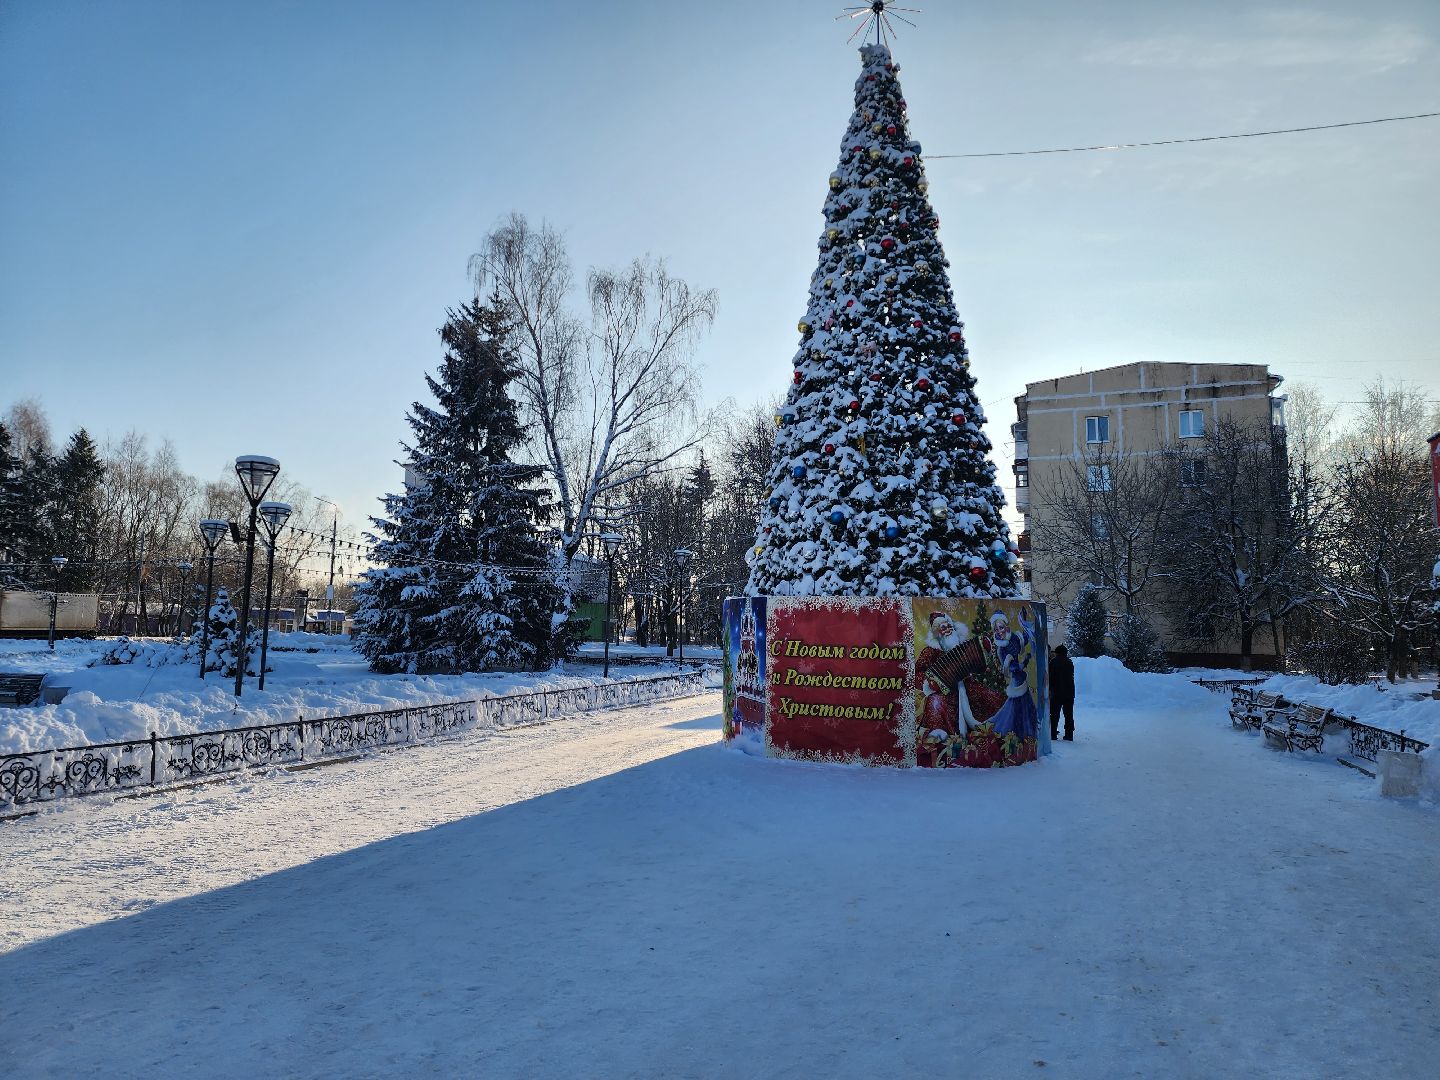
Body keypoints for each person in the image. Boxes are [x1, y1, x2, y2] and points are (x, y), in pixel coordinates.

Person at [986, 608, 1039, 743]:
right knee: (1015, 710)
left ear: (1006, 625)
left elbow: (1025, 639)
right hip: (1016, 681)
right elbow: (1010, 667)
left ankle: (1027, 737)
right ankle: (1015, 736)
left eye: (1001, 627)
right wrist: (1023, 662)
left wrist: (1025, 622)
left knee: (1026, 709)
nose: (999, 631)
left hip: (1022, 680)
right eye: (996, 630)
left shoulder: (1015, 638)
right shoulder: (1001, 648)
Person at [1049, 644, 1075, 741]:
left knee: (1054, 714)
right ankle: (1069, 735)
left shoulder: (1053, 662)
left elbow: (1050, 677)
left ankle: (1052, 734)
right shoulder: (1069, 662)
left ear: (1057, 653)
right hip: (1069, 693)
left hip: (1056, 692)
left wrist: (1049, 689)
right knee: (1069, 714)